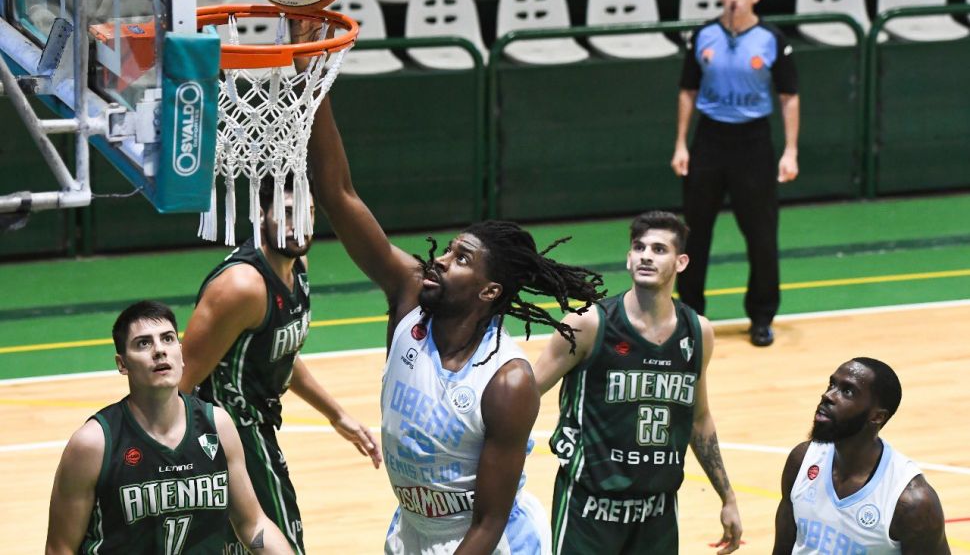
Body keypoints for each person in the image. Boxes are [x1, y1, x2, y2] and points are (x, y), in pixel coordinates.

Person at [309, 95, 606, 554]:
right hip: (412, 530)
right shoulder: (410, 299)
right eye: (448, 250)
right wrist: (314, 83)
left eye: (462, 259)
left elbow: (488, 524)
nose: (442, 261)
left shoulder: (507, 382)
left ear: (489, 291)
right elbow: (337, 194)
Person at [179, 177, 382, 554]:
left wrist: (336, 414)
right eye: (288, 213)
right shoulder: (242, 287)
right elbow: (179, 382)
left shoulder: (297, 263)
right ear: (261, 214)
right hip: (232, 434)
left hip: (255, 427)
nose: (298, 225)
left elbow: (280, 352)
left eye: (307, 213)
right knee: (284, 544)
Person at [533, 211, 742, 554]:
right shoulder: (588, 324)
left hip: (657, 511)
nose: (646, 255)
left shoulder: (698, 332)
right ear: (629, 258)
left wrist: (728, 497)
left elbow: (699, 418)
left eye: (659, 249)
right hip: (590, 508)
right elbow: (526, 392)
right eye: (639, 247)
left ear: (681, 262)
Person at [45, 300, 292, 555]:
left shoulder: (218, 426)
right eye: (143, 343)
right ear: (122, 364)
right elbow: (59, 548)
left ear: (181, 354)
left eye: (168, 339)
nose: (159, 350)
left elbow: (252, 524)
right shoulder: (93, 444)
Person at [670, 0, 800, 347]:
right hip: (710, 139)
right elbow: (687, 91)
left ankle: (761, 316)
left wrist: (790, 150)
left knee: (761, 234)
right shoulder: (703, 36)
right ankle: (689, 316)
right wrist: (681, 144)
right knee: (694, 234)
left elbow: (789, 97)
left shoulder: (771, 39)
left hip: (753, 142)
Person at [772, 357, 950, 554]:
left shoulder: (911, 502)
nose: (828, 395)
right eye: (832, 385)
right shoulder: (802, 461)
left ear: (877, 416)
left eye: (847, 391)